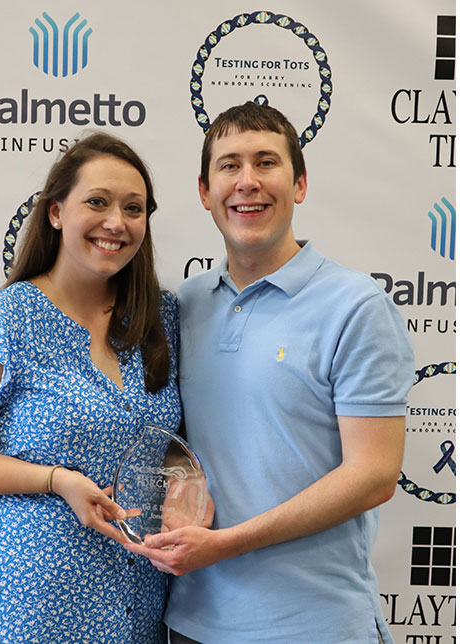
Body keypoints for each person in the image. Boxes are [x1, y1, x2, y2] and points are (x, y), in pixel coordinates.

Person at [124, 102, 415, 644]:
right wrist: (183, 485)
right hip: (192, 624)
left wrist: (228, 542)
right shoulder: (183, 307)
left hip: (315, 628)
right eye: (229, 165)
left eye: (266, 162)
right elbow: (177, 435)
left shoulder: (356, 305)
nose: (248, 182)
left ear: (299, 184)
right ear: (205, 192)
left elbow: (373, 476)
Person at [0, 132, 181, 644]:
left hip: (135, 600)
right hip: (26, 600)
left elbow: (176, 445)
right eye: (96, 202)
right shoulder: (6, 319)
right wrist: (56, 479)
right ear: (56, 213)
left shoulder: (161, 317)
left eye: (134, 208)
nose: (116, 223)